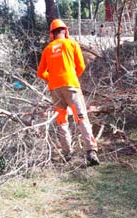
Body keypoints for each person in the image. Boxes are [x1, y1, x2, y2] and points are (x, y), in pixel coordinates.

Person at [37, 19, 100, 166]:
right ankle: (91, 151)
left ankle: (67, 153)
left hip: (55, 89)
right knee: (81, 117)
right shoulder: (71, 44)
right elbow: (81, 66)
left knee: (62, 120)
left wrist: (52, 78)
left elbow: (40, 73)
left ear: (51, 34)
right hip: (71, 86)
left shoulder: (47, 49)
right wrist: (71, 76)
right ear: (65, 31)